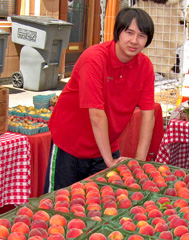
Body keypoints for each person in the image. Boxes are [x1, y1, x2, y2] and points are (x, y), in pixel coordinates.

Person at [44, 7, 155, 192]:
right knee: (59, 203)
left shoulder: (145, 66)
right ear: (117, 32)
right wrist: (109, 161)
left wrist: (139, 161)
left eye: (142, 36)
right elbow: (96, 114)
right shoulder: (94, 59)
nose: (134, 41)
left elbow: (148, 116)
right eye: (129, 33)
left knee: (104, 204)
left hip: (106, 145)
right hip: (70, 144)